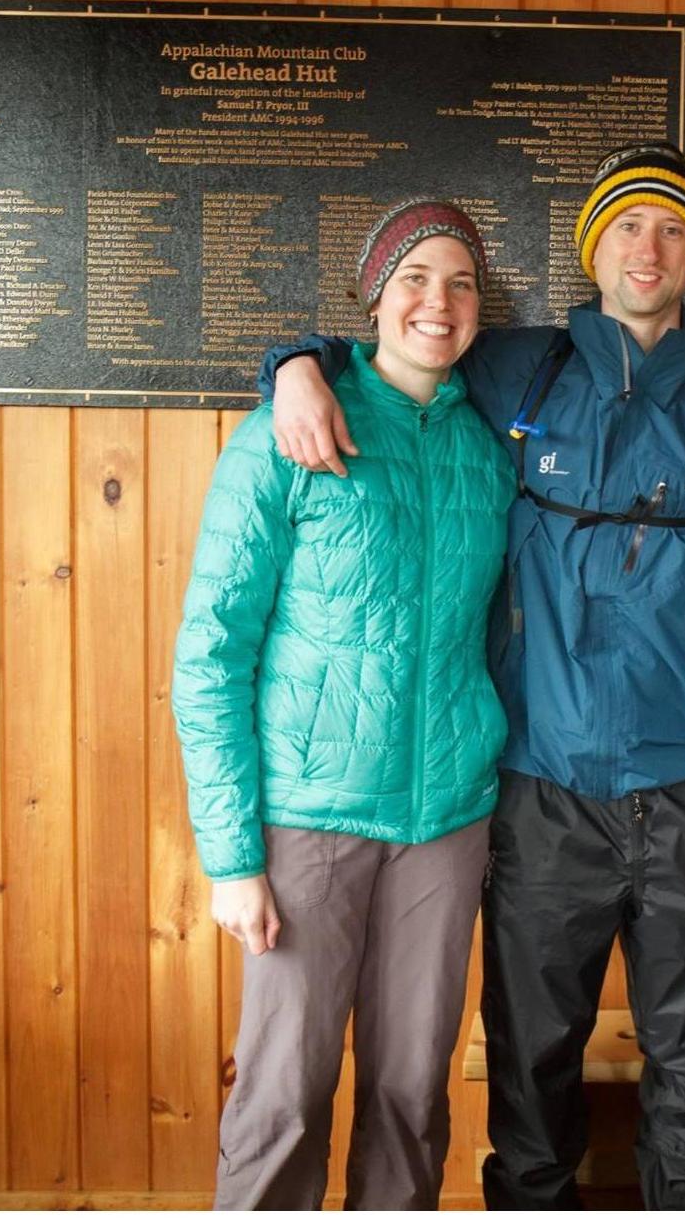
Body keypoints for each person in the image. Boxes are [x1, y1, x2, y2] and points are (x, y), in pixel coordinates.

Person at [262, 142, 685, 1210]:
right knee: (530, 1082)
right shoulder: (517, 368)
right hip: (541, 795)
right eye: (629, 226)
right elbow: (391, 347)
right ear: (595, 246)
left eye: (675, 229)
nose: (651, 248)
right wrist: (290, 363)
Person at [172, 199, 515, 1209]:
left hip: (446, 821)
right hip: (307, 821)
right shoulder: (286, 432)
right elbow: (209, 655)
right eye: (414, 278)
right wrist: (232, 858)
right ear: (374, 294)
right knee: (284, 1095)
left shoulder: (489, 451)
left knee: (413, 1094)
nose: (437, 302)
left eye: (459, 284)